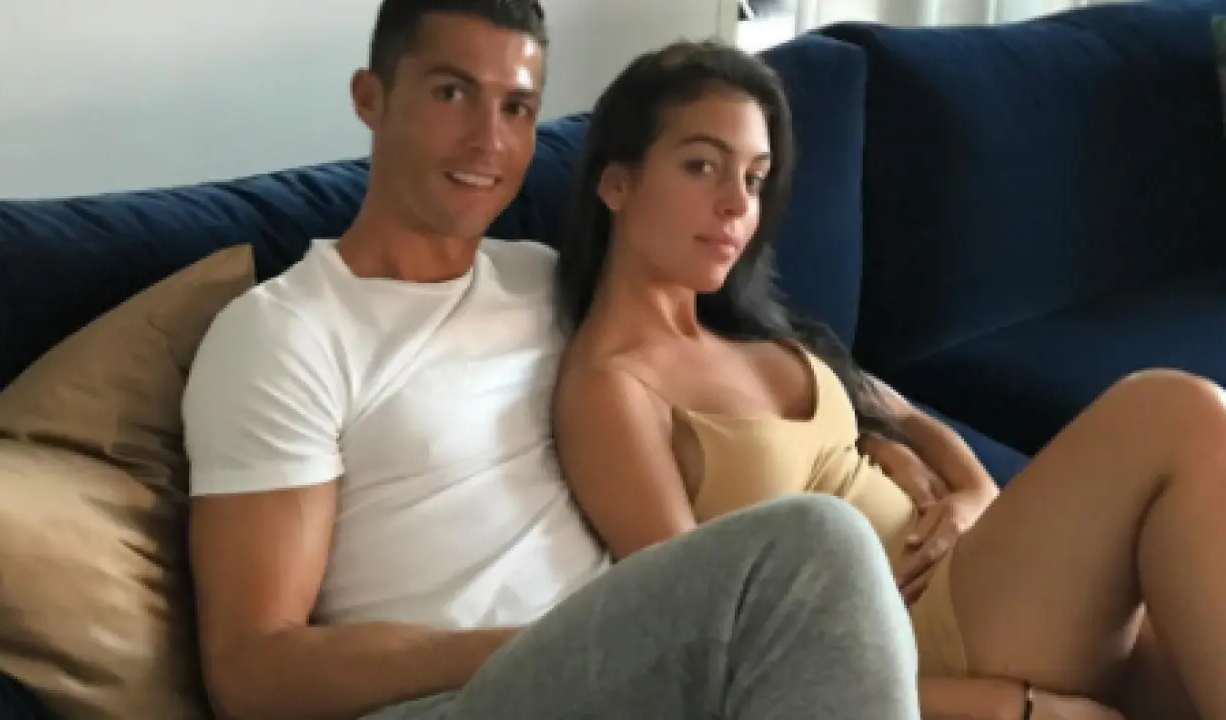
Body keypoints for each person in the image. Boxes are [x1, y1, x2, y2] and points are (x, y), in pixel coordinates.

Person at [180, 2, 924, 719]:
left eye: (517, 108)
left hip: (627, 665)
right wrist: (548, 643)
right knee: (818, 542)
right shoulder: (286, 335)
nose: (488, 141)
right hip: (453, 698)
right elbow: (251, 672)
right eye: (452, 94)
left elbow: (737, 368)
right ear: (370, 97)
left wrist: (893, 444)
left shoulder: (545, 280)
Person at [551, 37, 1226, 720]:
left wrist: (971, 493)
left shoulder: (756, 333)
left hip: (989, 582)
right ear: (616, 183)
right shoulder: (613, 388)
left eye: (755, 179)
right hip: (912, 651)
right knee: (1173, 412)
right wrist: (1008, 708)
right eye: (702, 166)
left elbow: (905, 415)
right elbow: (695, 645)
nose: (736, 205)